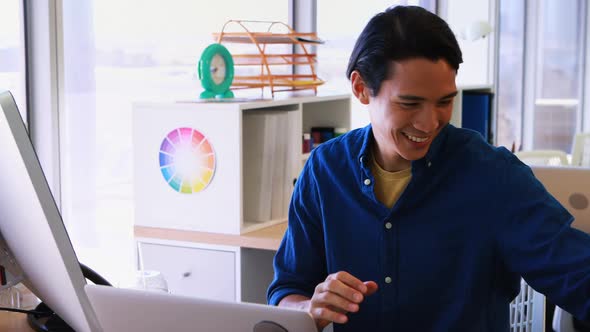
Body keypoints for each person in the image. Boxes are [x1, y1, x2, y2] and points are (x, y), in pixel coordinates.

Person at [266, 5, 590, 332]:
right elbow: (288, 288)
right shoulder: (325, 170)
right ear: (361, 88)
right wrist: (309, 307)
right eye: (410, 103)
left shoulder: (493, 175)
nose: (429, 122)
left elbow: (576, 274)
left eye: (444, 101)